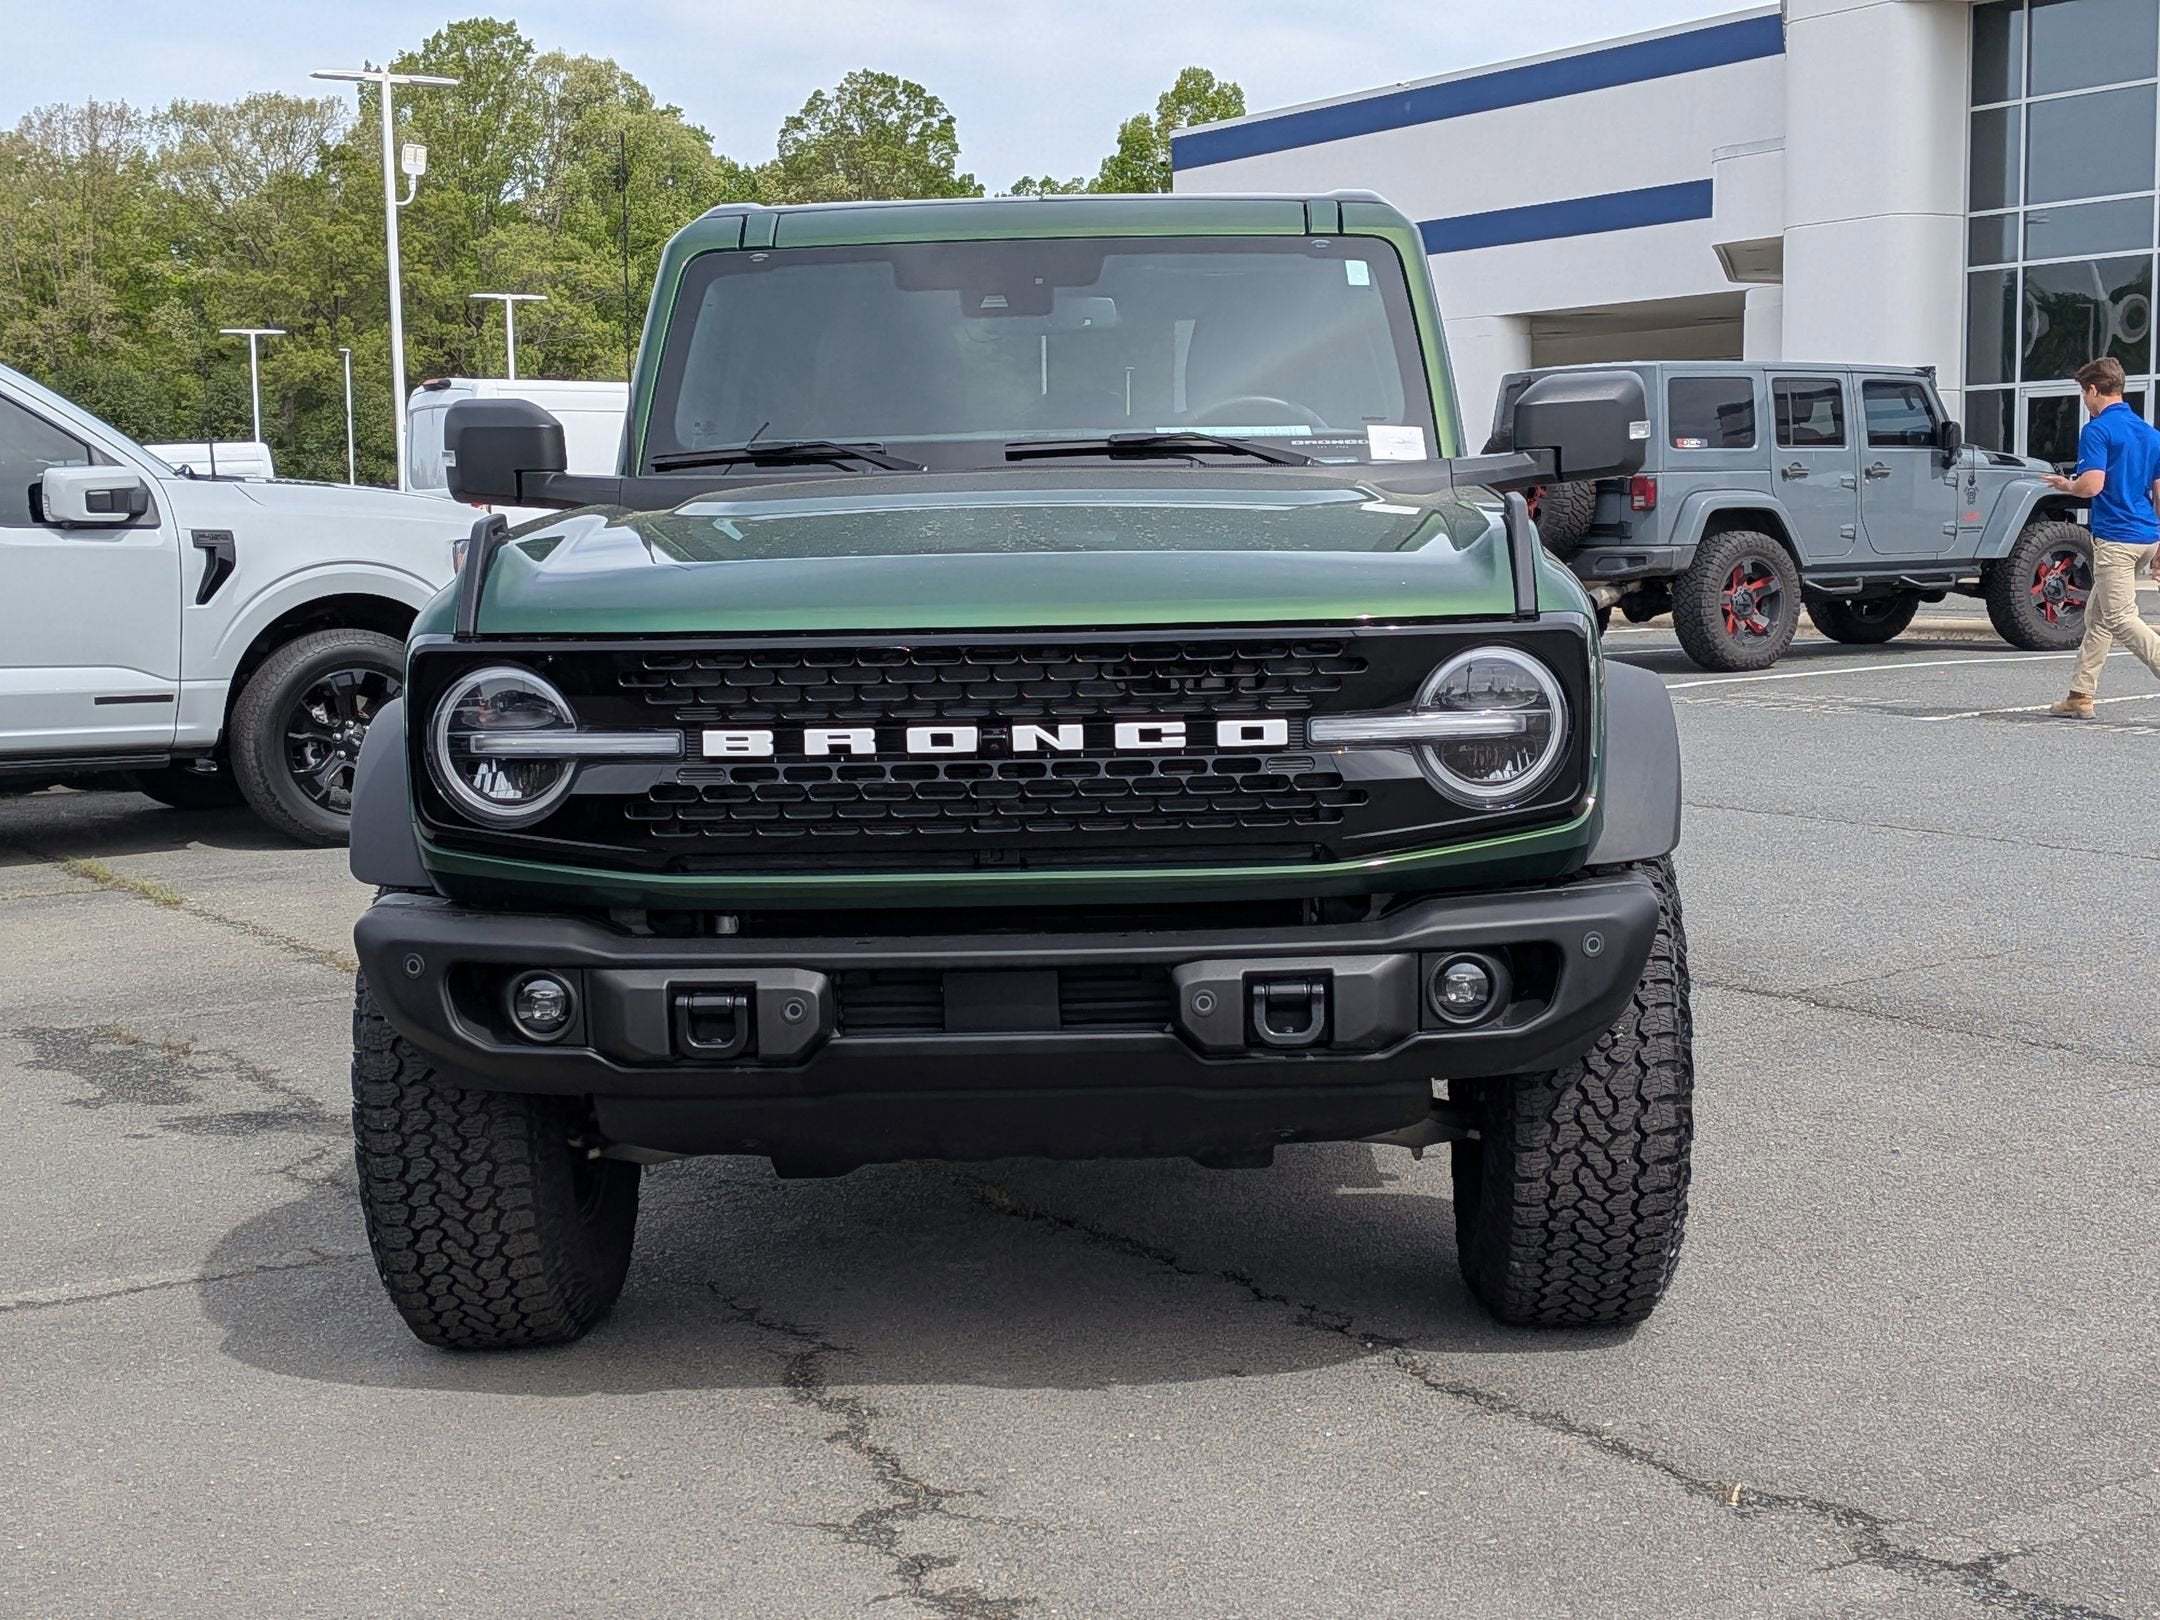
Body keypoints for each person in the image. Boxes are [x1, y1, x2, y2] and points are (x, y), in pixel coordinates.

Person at [2042, 356, 2160, 718]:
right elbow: (2159, 492)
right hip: (2146, 536)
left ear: (2094, 390)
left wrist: (2067, 485)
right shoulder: (2150, 433)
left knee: (2121, 617)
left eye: (2083, 393)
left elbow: (2092, 484)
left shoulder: (2097, 430)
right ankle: (2080, 695)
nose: (2084, 401)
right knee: (2099, 617)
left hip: (2116, 539)